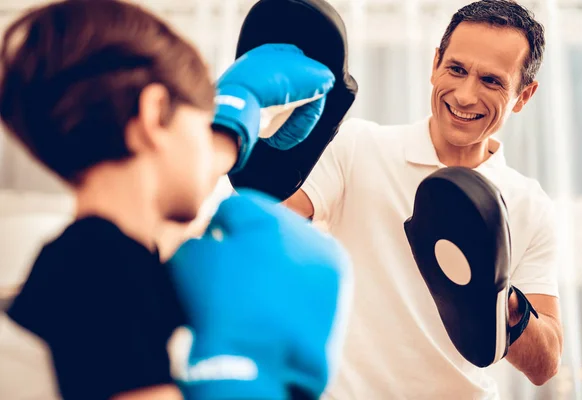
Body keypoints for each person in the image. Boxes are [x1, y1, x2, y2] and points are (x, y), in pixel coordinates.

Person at [0, 0, 352, 399]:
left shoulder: (106, 255)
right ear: (154, 114)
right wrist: (244, 375)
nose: (207, 136)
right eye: (202, 118)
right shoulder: (100, 266)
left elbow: (179, 173)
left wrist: (233, 124)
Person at [283, 0, 564, 398]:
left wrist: (497, 294)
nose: (466, 95)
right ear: (435, 64)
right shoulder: (359, 146)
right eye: (457, 69)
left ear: (524, 95)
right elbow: (266, 220)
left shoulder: (529, 205)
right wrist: (267, 131)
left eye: (492, 81)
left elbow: (546, 364)